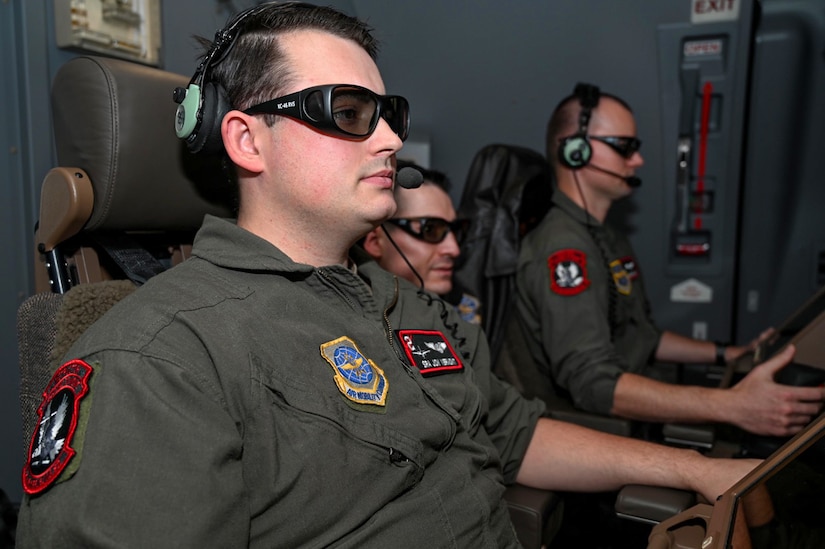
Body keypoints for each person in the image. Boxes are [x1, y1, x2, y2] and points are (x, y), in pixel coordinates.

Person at [16, 5, 763, 547]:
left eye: (388, 111)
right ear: (246, 139)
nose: (391, 137)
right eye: (349, 112)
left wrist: (695, 468)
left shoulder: (398, 300)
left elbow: (512, 431)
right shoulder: (160, 356)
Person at [513, 82, 825, 438]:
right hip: (598, 427)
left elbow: (643, 337)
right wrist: (731, 406)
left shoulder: (607, 238)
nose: (638, 160)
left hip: (635, 400)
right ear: (575, 152)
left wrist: (729, 353)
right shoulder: (563, 252)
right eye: (625, 147)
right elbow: (594, 384)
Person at [361, 160, 482, 324]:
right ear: (375, 241)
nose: (454, 250)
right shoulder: (346, 321)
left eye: (457, 229)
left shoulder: (467, 313)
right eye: (430, 229)